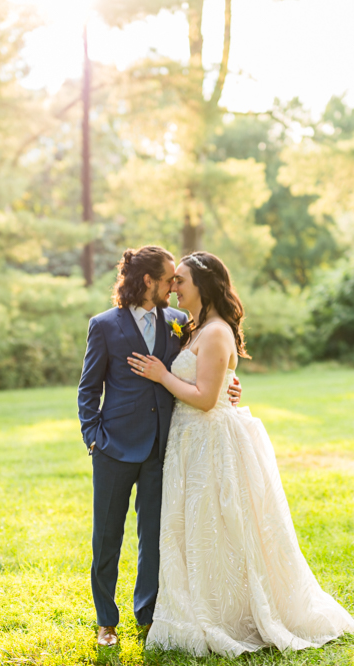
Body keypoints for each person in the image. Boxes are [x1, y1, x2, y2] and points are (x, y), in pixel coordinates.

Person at [127, 251, 354, 657]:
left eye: (180, 280)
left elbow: (203, 398)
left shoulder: (215, 332)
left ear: (203, 284)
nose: (173, 288)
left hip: (210, 442)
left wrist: (162, 375)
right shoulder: (193, 329)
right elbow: (214, 380)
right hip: (189, 442)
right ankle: (200, 601)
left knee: (220, 525)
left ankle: (230, 613)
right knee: (198, 528)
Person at [76, 245, 242, 647]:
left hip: (162, 448)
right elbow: (88, 389)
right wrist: (94, 438)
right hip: (114, 448)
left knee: (153, 536)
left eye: (177, 280)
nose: (174, 286)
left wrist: (229, 387)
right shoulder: (104, 325)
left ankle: (147, 614)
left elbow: (206, 365)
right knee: (107, 538)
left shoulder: (180, 322)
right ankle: (106, 620)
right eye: (169, 279)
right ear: (147, 281)